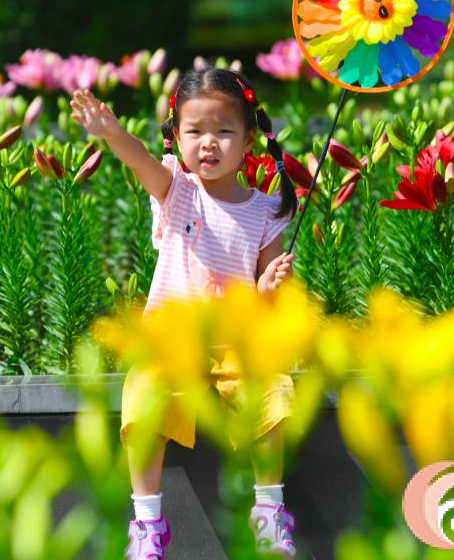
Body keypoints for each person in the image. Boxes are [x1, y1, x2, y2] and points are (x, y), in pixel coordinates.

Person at [70, 67, 300, 558]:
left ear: (249, 140)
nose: (208, 143)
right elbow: (141, 163)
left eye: (223, 131)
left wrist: (267, 286)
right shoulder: (177, 190)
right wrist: (112, 134)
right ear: (176, 136)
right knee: (145, 395)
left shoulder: (265, 210)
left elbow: (265, 300)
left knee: (272, 392)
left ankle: (268, 510)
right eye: (194, 131)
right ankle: (148, 523)